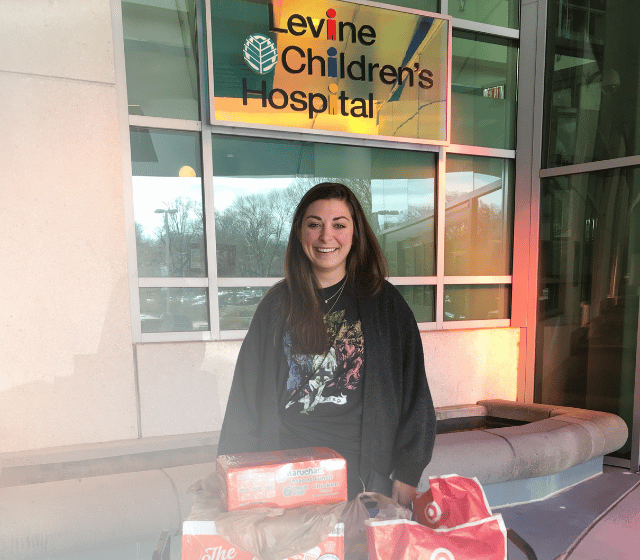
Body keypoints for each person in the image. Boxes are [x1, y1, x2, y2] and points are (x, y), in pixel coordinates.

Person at [217, 182, 436, 506]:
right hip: (284, 482)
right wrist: (231, 469)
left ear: (355, 233)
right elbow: (244, 398)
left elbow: (415, 395)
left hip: (363, 483)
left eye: (339, 225)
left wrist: (407, 470)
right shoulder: (276, 307)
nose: (326, 236)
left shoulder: (386, 306)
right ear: (300, 232)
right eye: (314, 224)